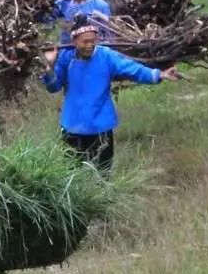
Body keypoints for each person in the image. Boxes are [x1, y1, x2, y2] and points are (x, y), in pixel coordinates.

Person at [42, 15, 179, 174]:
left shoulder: (105, 56)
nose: (90, 45)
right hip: (72, 126)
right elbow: (53, 87)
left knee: (102, 174)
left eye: (93, 40)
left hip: (101, 126)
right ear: (74, 42)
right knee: (71, 173)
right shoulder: (66, 58)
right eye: (85, 41)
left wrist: (158, 75)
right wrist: (50, 66)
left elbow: (132, 69)